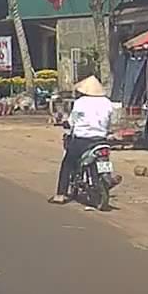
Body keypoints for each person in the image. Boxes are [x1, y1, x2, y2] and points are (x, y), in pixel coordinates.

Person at [50, 75, 112, 204]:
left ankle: (60, 194)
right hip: (101, 139)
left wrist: (67, 123)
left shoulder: (80, 102)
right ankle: (106, 179)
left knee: (67, 163)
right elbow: (108, 121)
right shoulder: (107, 102)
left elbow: (73, 120)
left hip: (82, 140)